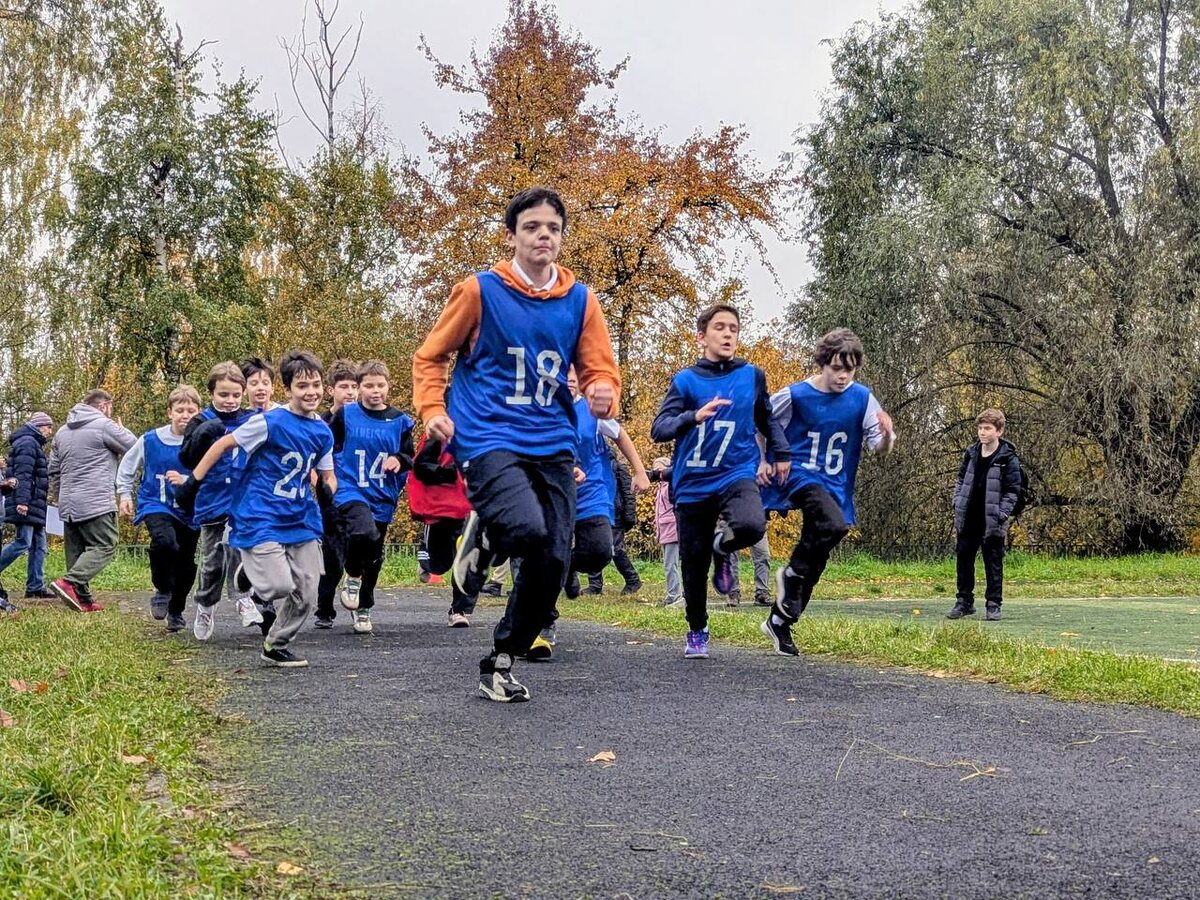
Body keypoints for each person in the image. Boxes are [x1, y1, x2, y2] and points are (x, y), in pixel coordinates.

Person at [413, 185, 620, 703]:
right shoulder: (479, 291)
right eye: (531, 227)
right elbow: (430, 357)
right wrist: (433, 410)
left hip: (552, 440)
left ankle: (501, 660)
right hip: (487, 435)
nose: (543, 235)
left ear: (562, 237)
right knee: (524, 527)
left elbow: (600, 370)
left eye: (553, 228)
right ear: (512, 236)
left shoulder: (580, 301)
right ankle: (485, 535)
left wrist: (603, 392)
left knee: (552, 560)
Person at [651, 303, 789, 659]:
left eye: (734, 328)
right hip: (693, 483)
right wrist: (692, 417)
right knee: (693, 567)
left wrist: (781, 453)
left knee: (752, 525)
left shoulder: (752, 376)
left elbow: (767, 418)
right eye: (720, 328)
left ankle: (723, 547)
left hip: (735, 472)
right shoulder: (686, 381)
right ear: (702, 337)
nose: (728, 334)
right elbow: (659, 429)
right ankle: (697, 628)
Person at [183, 350, 336, 668]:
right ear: (288, 389)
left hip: (300, 515)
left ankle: (275, 644)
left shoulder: (323, 431)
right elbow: (223, 444)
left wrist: (327, 491)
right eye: (302, 386)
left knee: (307, 590)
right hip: (261, 511)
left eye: (316, 385)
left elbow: (327, 474)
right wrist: (192, 482)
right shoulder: (270, 422)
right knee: (278, 586)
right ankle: (247, 574)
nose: (311, 392)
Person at [760, 328, 895, 656]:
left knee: (818, 560)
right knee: (834, 525)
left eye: (850, 369)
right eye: (836, 368)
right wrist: (762, 460)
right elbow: (761, 422)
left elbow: (879, 447)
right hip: (800, 475)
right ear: (822, 364)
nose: (843, 376)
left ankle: (780, 621)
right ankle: (791, 573)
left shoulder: (862, 398)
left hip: (837, 484)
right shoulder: (796, 395)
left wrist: (888, 436)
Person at [322, 360, 413, 634]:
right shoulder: (346, 415)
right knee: (363, 532)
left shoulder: (400, 420)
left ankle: (364, 607)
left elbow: (409, 455)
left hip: (382, 493)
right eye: (369, 385)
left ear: (388, 386)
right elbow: (327, 446)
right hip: (351, 488)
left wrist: (399, 460)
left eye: (380, 385)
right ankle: (351, 574)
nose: (375, 391)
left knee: (374, 555)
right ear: (359, 388)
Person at [176, 362, 259, 639]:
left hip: (243, 498)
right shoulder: (201, 421)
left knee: (239, 549)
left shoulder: (252, 419)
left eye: (236, 395)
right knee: (212, 560)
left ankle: (243, 598)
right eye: (223, 394)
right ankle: (205, 605)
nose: (230, 400)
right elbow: (187, 459)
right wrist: (202, 435)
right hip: (211, 497)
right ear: (211, 393)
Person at [116, 386, 202, 632]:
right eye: (180, 410)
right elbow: (128, 466)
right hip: (156, 503)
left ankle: (176, 611)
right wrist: (124, 495)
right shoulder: (150, 440)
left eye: (190, 411)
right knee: (165, 543)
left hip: (190, 510)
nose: (185, 415)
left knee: (186, 563)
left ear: (198, 413)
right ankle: (162, 588)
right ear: (169, 412)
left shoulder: (202, 441)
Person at [47, 389, 137, 612]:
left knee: (76, 551)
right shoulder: (104, 425)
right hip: (96, 500)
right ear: (104, 406)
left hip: (68, 502)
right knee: (105, 545)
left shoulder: (62, 432)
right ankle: (68, 583)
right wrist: (123, 429)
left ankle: (83, 599)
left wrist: (59, 497)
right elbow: (135, 448)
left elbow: (54, 470)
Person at [947, 408, 1022, 622]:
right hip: (968, 516)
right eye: (980, 428)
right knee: (964, 560)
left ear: (999, 431)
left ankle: (993, 604)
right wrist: (957, 501)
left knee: (993, 562)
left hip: (992, 519)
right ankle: (964, 601)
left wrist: (1002, 512)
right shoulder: (971, 453)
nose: (982, 432)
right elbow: (961, 479)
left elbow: (1013, 489)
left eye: (987, 428)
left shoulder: (1007, 458)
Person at [408, 434, 477, 626]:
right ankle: (427, 561)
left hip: (470, 507)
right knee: (440, 564)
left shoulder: (485, 432)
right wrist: (449, 473)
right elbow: (420, 467)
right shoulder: (438, 435)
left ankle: (459, 610)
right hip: (442, 508)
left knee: (469, 558)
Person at [314, 358, 360, 627]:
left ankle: (359, 603)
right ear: (331, 390)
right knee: (331, 556)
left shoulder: (364, 420)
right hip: (329, 496)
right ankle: (324, 610)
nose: (350, 392)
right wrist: (321, 486)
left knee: (360, 548)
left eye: (354, 386)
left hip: (358, 496)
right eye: (344, 387)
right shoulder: (322, 422)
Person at [0, 412, 54, 606]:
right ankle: (34, 585)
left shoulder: (32, 443)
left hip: (34, 503)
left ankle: (35, 586)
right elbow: (23, 474)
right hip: (26, 502)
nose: (50, 431)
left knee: (39, 545)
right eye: (48, 427)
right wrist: (22, 501)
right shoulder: (28, 443)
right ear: (39, 426)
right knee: (23, 541)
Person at [650, 457, 683, 608]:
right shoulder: (660, 486)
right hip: (664, 528)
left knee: (671, 564)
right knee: (669, 564)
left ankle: (675, 595)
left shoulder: (672, 485)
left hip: (672, 527)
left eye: (659, 469)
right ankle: (673, 594)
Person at [722, 534, 772, 607]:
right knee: (731, 558)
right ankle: (733, 593)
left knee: (763, 556)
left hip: (757, 527)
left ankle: (762, 594)